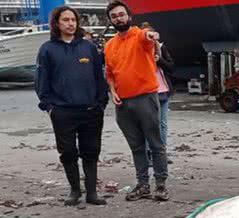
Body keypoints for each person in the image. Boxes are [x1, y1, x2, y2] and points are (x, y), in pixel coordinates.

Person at [35, 5, 108, 206]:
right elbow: (42, 80)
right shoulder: (47, 49)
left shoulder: (88, 48)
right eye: (66, 20)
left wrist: (101, 103)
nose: (70, 24)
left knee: (91, 151)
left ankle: (91, 192)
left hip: (90, 110)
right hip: (62, 112)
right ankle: (75, 190)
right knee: (67, 152)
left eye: (73, 20)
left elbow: (98, 78)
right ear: (57, 24)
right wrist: (49, 107)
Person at [104, 0, 169, 201]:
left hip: (145, 98)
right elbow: (110, 73)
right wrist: (112, 91)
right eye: (114, 16)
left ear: (129, 17)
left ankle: (160, 184)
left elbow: (148, 36)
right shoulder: (109, 45)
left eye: (121, 14)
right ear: (110, 20)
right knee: (136, 146)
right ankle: (143, 185)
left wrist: (152, 35)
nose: (118, 18)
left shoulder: (139, 36)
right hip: (123, 103)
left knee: (155, 143)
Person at [141, 23, 174, 166]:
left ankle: (161, 153)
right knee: (150, 125)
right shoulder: (140, 51)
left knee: (162, 124)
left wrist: (158, 60)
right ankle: (149, 154)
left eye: (152, 35)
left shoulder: (161, 48)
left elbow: (171, 66)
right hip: (148, 92)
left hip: (164, 91)